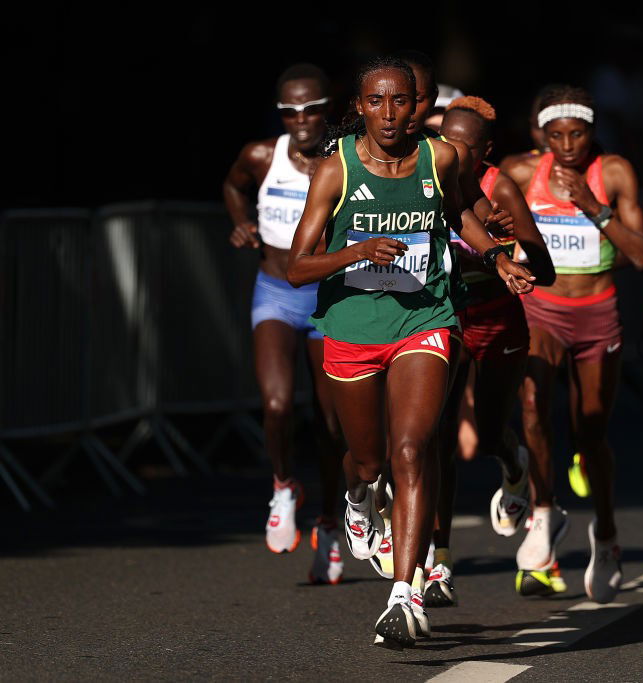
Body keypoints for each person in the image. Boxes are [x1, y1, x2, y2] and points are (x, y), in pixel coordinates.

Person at [287, 56, 535, 647]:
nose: (390, 114)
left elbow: (459, 213)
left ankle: (405, 594)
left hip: (424, 318)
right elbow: (297, 268)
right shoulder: (335, 170)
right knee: (368, 463)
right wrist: (356, 252)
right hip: (350, 326)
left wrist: (497, 257)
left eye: (401, 101)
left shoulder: (439, 157)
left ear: (418, 105)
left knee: (412, 448)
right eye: (377, 102)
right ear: (361, 107)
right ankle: (356, 500)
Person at [501, 85, 643, 602]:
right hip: (542, 308)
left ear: (593, 131)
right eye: (556, 134)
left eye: (578, 133)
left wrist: (591, 207)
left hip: (597, 314)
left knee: (591, 432)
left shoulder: (613, 173)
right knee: (532, 405)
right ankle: (544, 513)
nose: (567, 144)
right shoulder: (521, 173)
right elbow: (483, 223)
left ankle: (606, 534)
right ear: (540, 134)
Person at [426, 96, 556, 608]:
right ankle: (440, 559)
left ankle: (513, 463)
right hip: (445, 315)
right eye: (446, 143)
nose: (454, 154)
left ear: (486, 152)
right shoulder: (428, 176)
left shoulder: (499, 187)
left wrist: (510, 245)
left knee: (486, 435)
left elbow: (543, 271)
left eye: (466, 148)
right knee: (437, 436)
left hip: (496, 318)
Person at [222, 63, 346, 585]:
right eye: (290, 111)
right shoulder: (260, 156)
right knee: (274, 404)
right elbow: (232, 186)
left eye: (312, 109)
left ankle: (333, 524)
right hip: (275, 290)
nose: (301, 119)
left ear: (328, 109)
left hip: (329, 298)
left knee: (329, 421)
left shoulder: (345, 162)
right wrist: (242, 222)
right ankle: (282, 486)